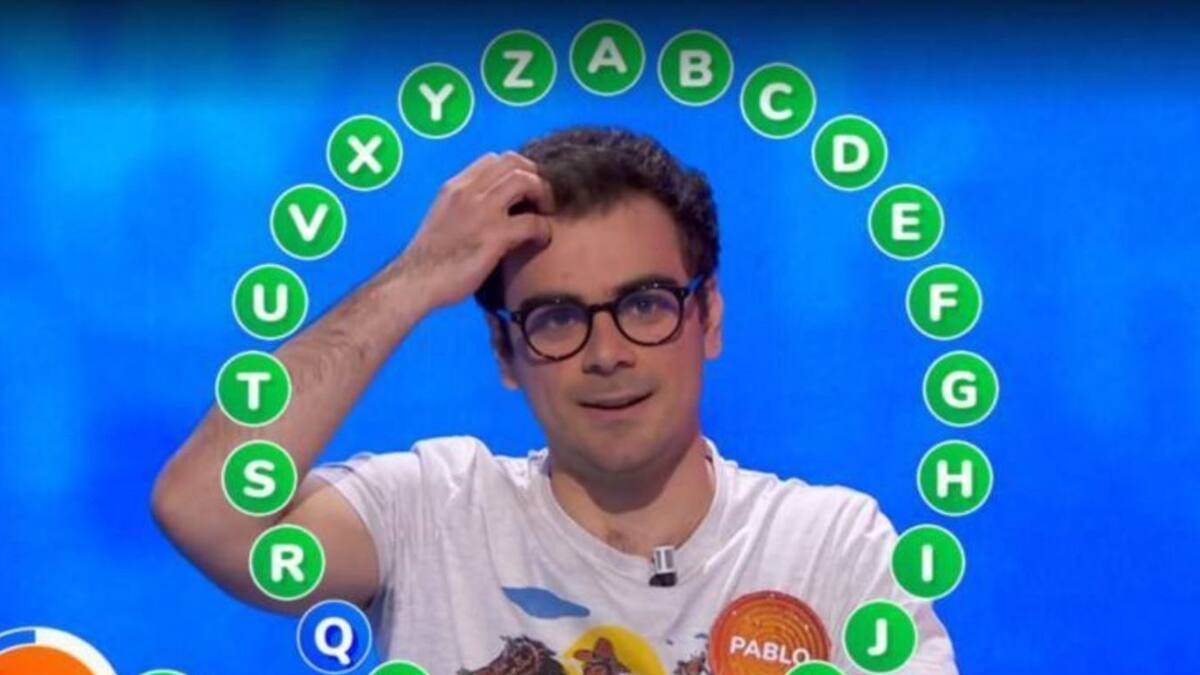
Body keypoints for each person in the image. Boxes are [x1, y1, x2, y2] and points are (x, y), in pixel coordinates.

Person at [151, 126, 958, 673]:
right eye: (558, 317)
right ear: (506, 352)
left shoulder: (830, 547)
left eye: (645, 303)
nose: (606, 353)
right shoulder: (433, 512)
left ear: (708, 317)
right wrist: (414, 280)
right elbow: (204, 508)